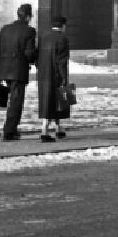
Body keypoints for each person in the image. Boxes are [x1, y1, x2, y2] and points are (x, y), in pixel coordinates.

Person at [0, 3, 38, 142]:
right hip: (18, 71)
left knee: (11, 101)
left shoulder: (5, 29)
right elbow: (29, 53)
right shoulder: (29, 31)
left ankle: (10, 129)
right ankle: (9, 131)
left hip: (5, 69)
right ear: (27, 17)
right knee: (16, 102)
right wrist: (36, 58)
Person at [36, 14, 70, 143]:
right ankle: (44, 130)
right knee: (59, 101)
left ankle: (58, 128)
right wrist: (63, 78)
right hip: (56, 74)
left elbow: (37, 56)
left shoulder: (43, 37)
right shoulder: (63, 38)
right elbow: (62, 61)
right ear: (63, 26)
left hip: (44, 74)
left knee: (47, 101)